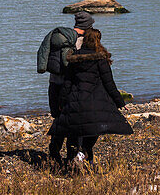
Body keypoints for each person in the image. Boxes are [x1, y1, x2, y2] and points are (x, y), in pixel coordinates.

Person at [48, 28, 132, 168]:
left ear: (85, 40)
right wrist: (120, 102)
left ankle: (75, 158)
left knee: (75, 131)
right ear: (98, 40)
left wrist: (61, 103)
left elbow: (67, 83)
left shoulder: (74, 58)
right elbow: (109, 83)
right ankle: (86, 155)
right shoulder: (100, 58)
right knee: (93, 130)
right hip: (96, 103)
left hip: (75, 100)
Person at [37, 10, 93, 163]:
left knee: (58, 118)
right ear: (87, 26)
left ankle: (54, 152)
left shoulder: (60, 37)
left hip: (54, 83)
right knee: (74, 121)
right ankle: (72, 155)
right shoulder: (80, 41)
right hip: (69, 87)